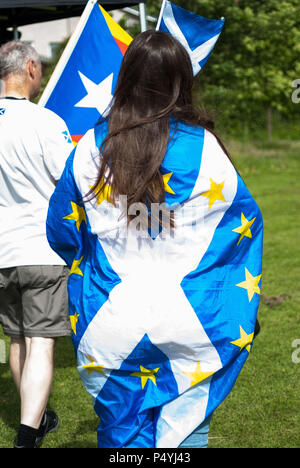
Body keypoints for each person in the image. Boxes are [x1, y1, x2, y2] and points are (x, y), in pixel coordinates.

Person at [46, 30, 263, 448]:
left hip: (108, 317)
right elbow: (242, 230)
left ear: (124, 79)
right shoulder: (206, 150)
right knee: (183, 436)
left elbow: (61, 230)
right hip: (192, 325)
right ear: (181, 80)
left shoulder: (90, 148)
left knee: (123, 440)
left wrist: (93, 260)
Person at [0, 41, 74, 448]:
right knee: (40, 343)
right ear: (30, 68)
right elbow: (71, 178)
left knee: (16, 338)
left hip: (2, 252)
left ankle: (38, 419)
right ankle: (28, 435)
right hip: (41, 248)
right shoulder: (46, 121)